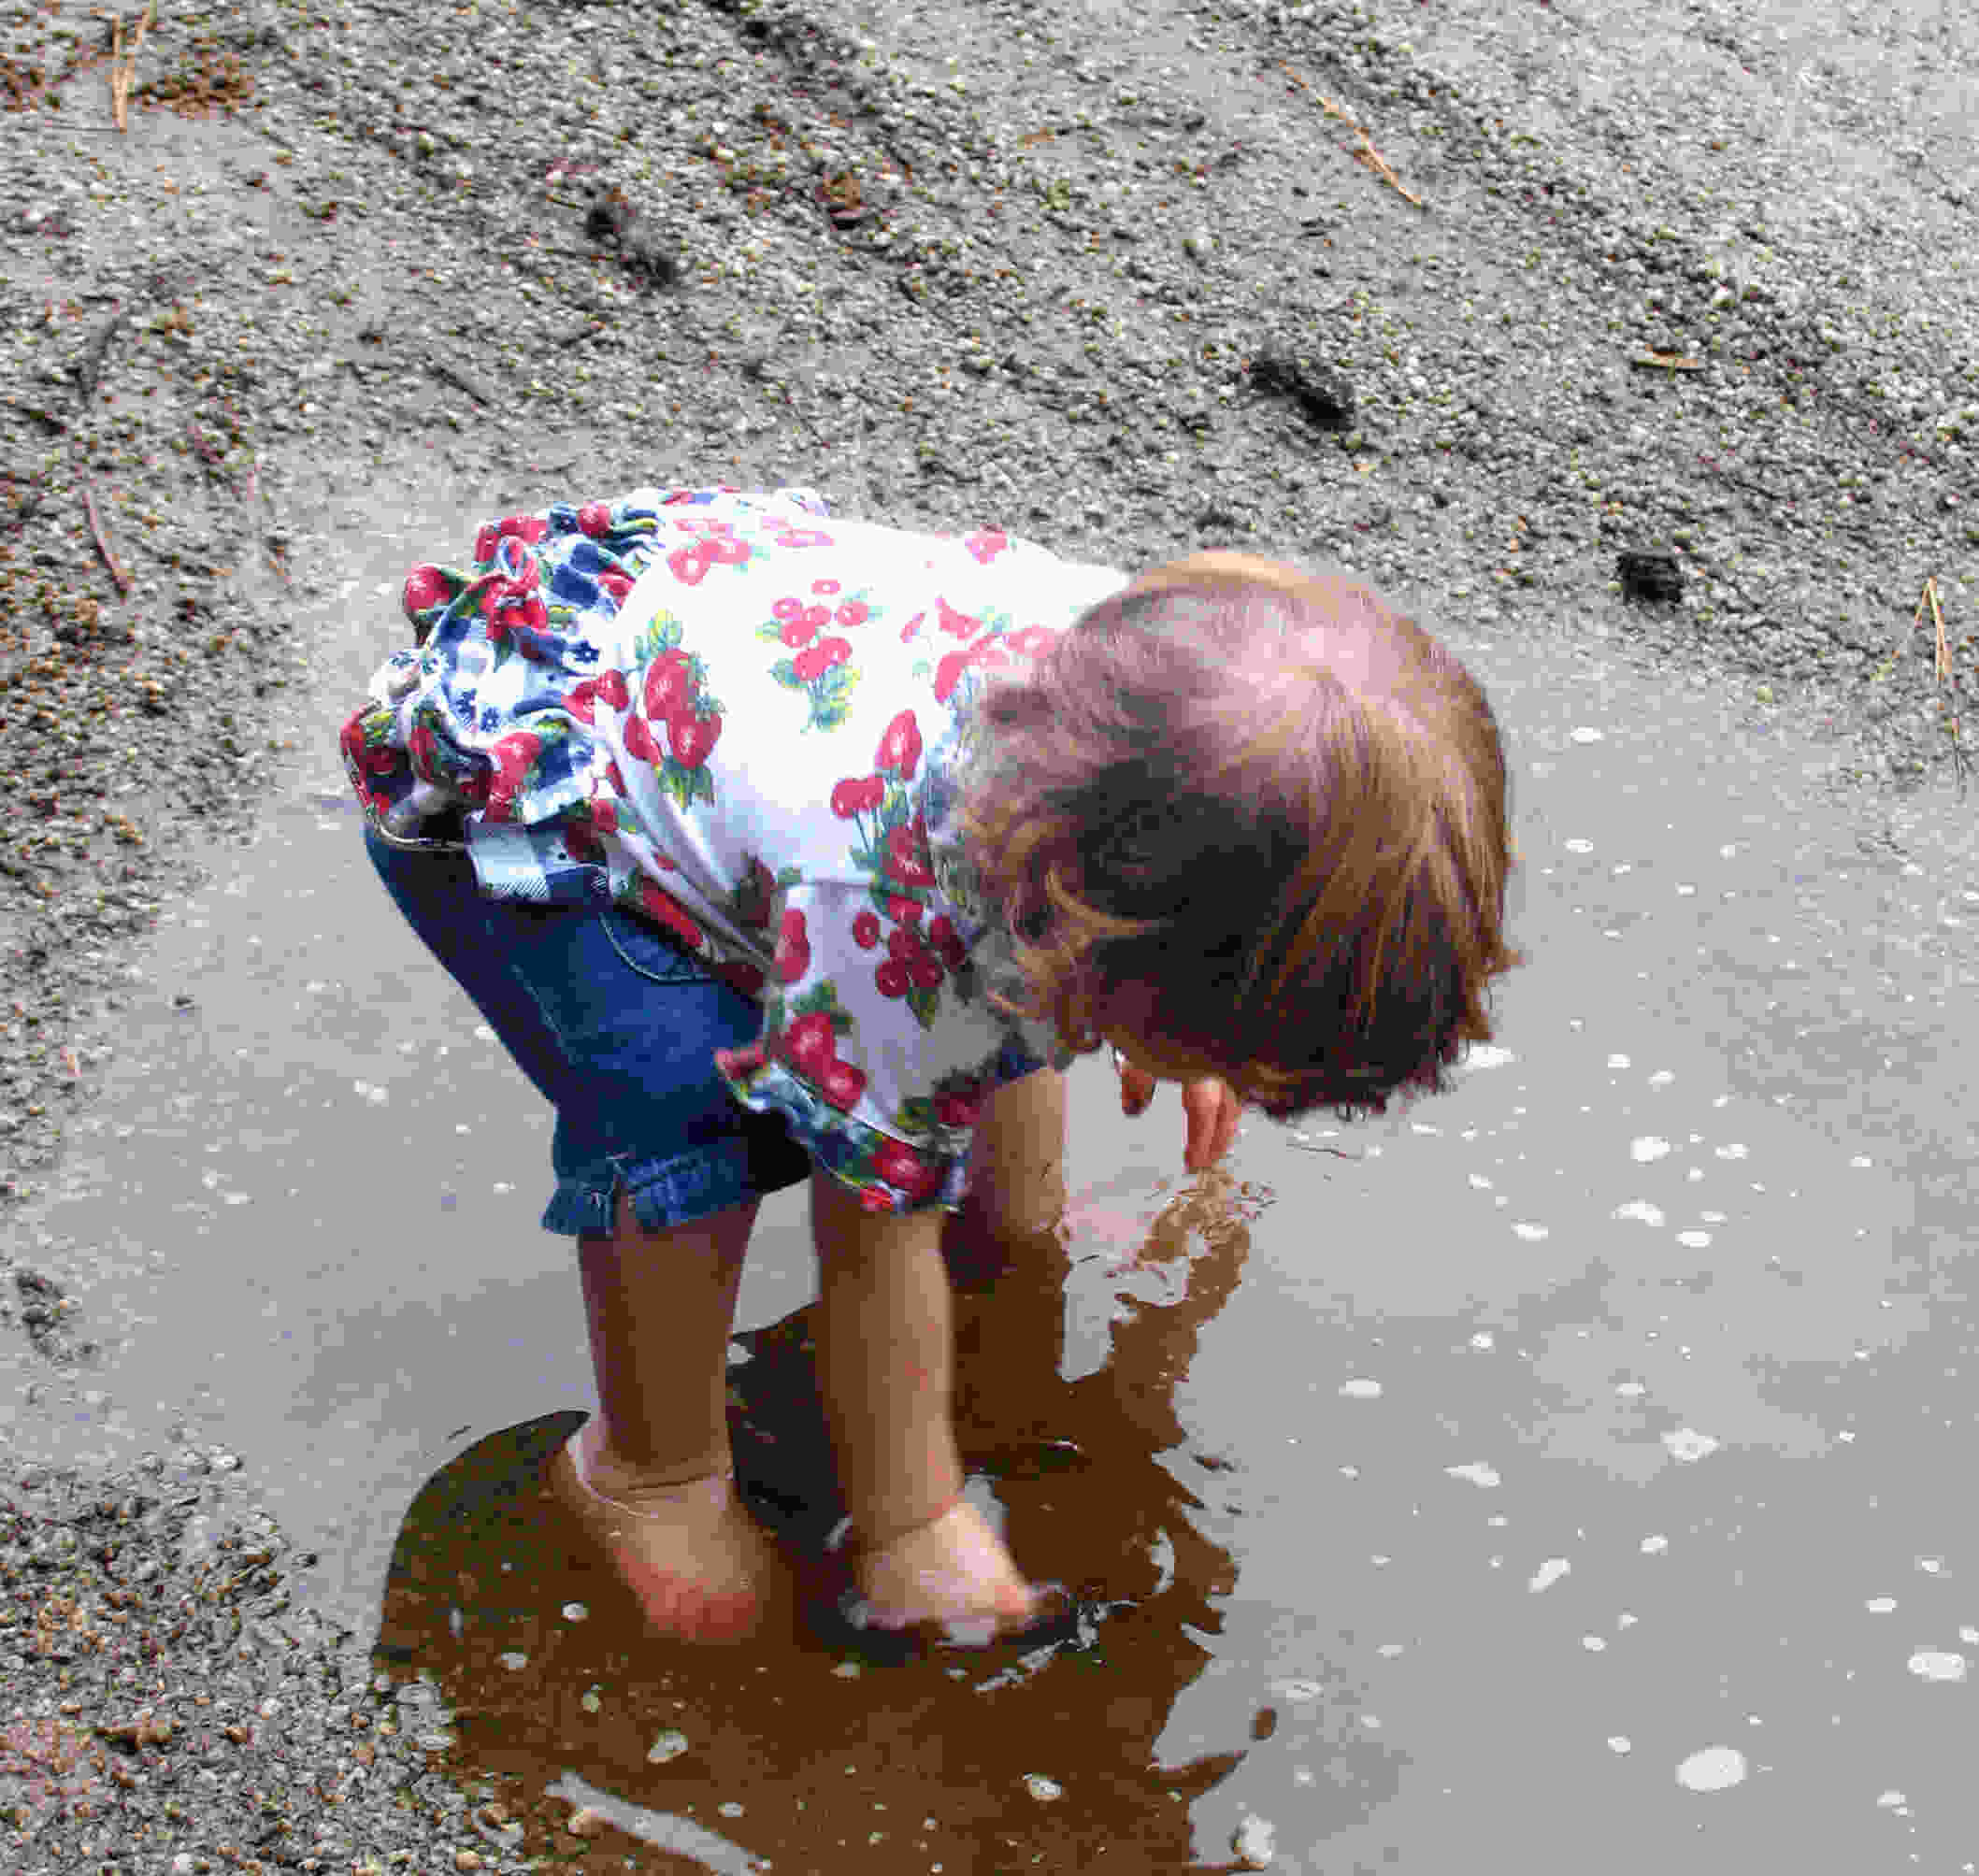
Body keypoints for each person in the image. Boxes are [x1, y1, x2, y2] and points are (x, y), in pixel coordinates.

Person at [341, 483, 1522, 1648]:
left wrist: (1201, 1021)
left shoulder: (1160, 728)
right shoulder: (891, 905)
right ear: (1117, 940)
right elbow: (870, 1232)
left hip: (748, 675)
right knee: (691, 1112)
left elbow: (1035, 974)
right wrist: (913, 1516)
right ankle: (649, 1472)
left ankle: (1012, 1234)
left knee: (974, 1019)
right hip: (550, 794)